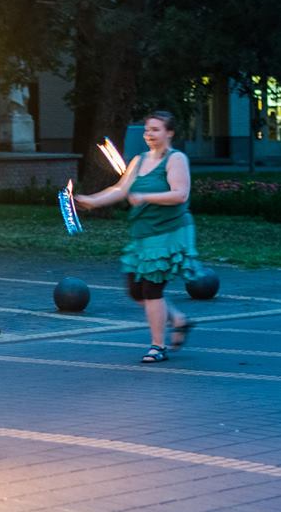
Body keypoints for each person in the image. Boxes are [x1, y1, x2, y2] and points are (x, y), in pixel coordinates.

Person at [75, 110, 198, 364]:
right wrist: (92, 201)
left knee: (152, 289)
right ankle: (178, 320)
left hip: (167, 233)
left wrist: (145, 197)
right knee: (135, 290)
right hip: (143, 233)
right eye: (147, 130)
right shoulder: (139, 160)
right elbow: (121, 188)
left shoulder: (176, 159)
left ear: (169, 133)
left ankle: (157, 346)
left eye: (156, 130)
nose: (149, 134)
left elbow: (180, 195)